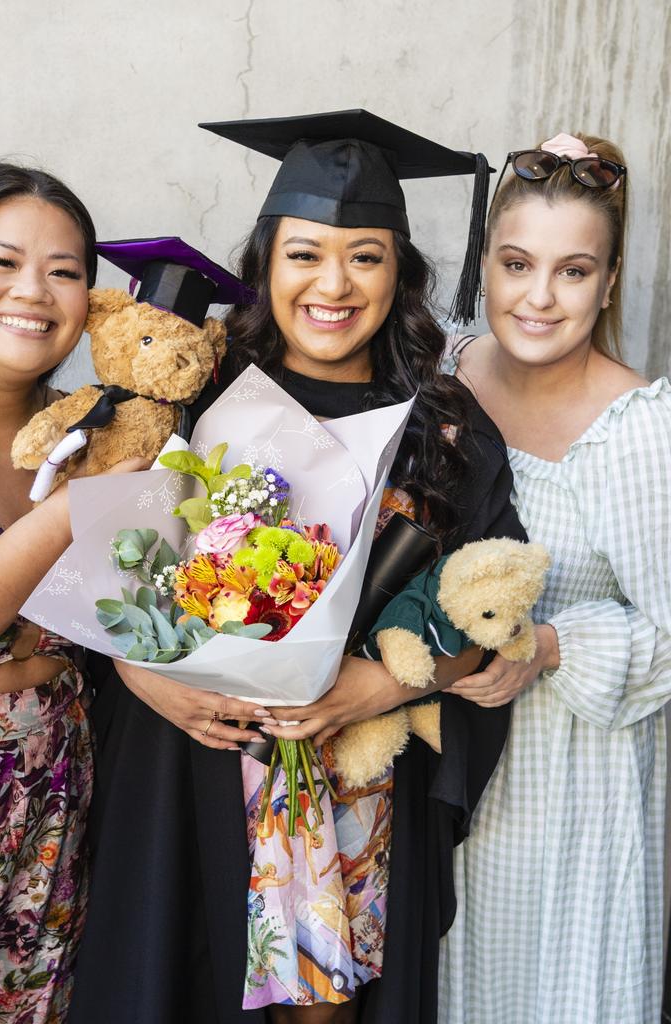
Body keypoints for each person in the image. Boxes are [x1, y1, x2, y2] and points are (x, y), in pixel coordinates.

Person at [69, 110, 526, 1024]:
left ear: (400, 275)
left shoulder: (448, 433)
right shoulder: (190, 400)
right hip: (189, 762)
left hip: (359, 788)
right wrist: (142, 674)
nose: (333, 283)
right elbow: (97, 595)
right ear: (266, 263)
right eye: (305, 253)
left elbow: (491, 623)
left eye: (365, 255)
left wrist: (380, 688)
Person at [0, 163, 146, 1022]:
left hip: (55, 793)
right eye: (2, 261)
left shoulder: (105, 440)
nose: (33, 293)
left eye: (66, 271)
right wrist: (70, 513)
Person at [438, 133, 671, 1024]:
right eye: (516, 263)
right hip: (449, 772)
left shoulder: (637, 427)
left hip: (573, 788)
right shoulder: (447, 377)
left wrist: (550, 645)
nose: (538, 297)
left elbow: (668, 630)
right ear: (485, 266)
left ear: (609, 283)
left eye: (574, 271)